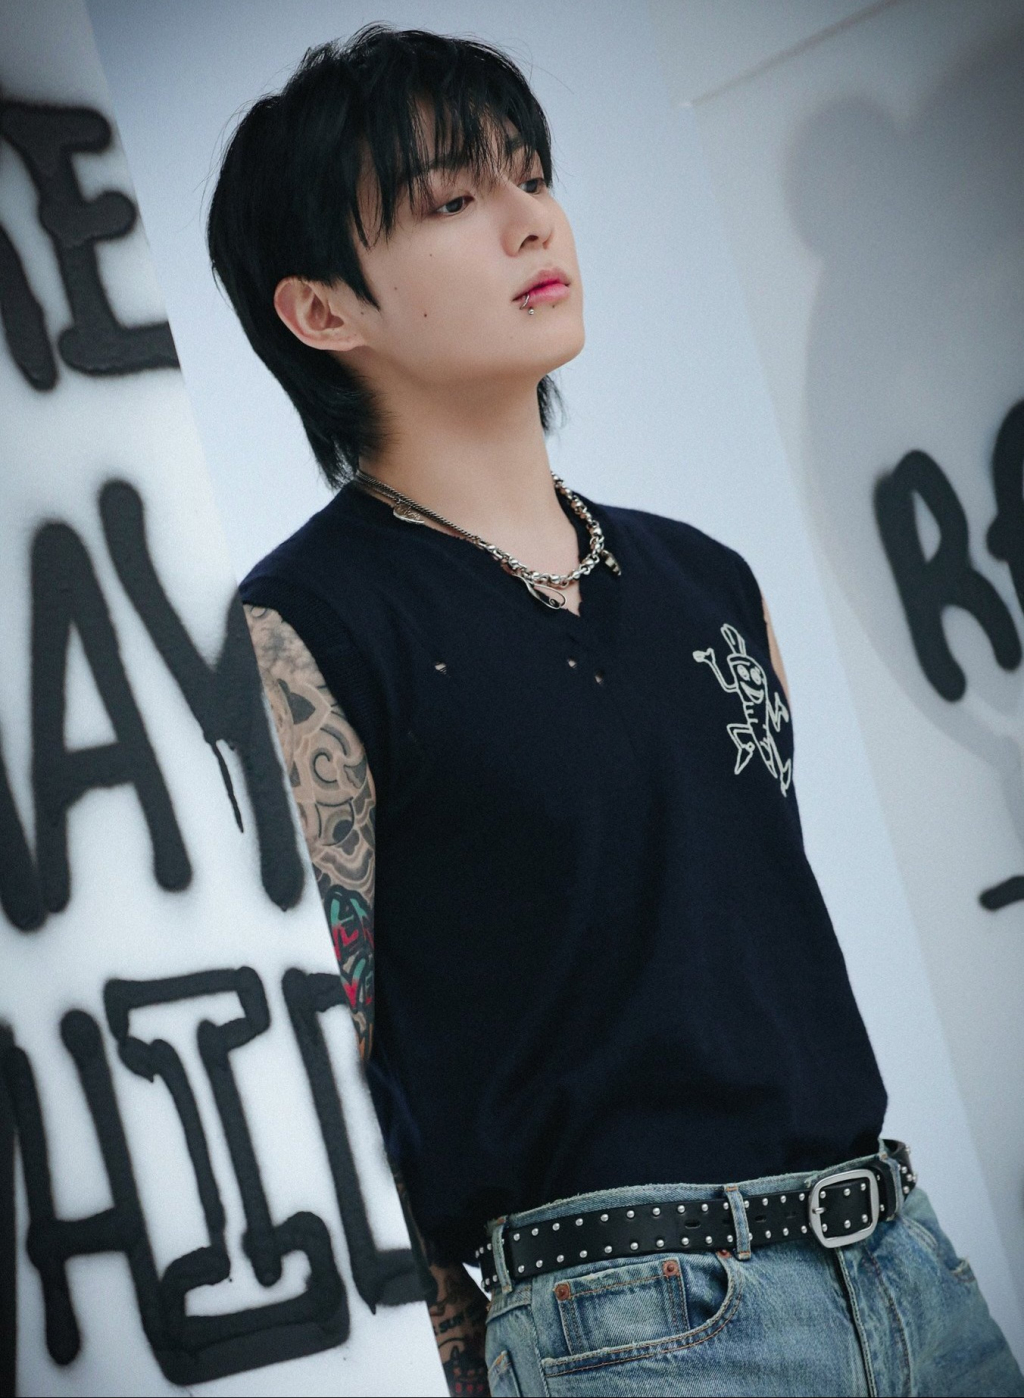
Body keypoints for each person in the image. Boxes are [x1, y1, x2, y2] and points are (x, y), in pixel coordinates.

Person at [207, 23, 1023, 1398]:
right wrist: (457, 1354)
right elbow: (332, 1058)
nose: (532, 220)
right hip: (630, 1323)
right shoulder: (303, 631)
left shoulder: (710, 577)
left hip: (908, 1264)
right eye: (454, 199)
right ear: (323, 311)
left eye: (532, 175)